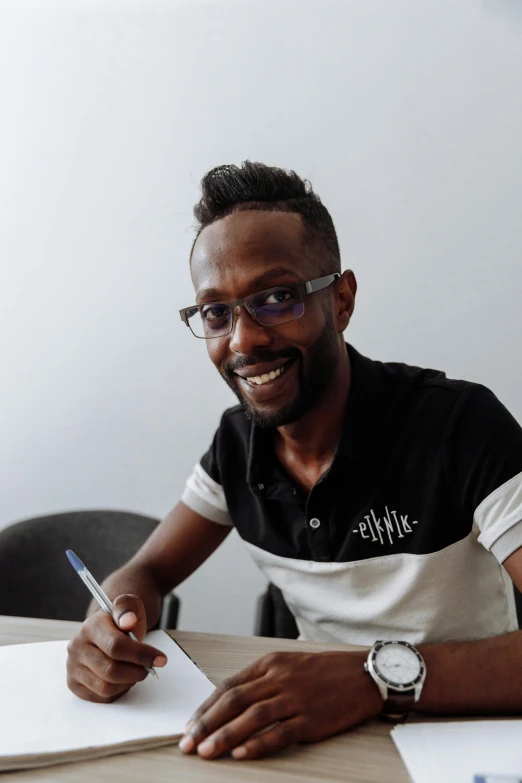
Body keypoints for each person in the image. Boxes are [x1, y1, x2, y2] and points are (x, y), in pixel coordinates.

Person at [66, 161, 522, 761]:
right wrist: (112, 618)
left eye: (277, 298)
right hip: (321, 743)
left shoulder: (459, 426)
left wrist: (370, 679)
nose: (244, 340)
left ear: (341, 300)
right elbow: (146, 574)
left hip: (471, 740)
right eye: (215, 313)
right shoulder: (237, 445)